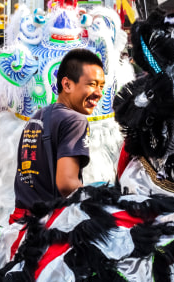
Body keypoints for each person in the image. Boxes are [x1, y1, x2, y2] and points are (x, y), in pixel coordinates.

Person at [11, 49, 105, 221]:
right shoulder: (75, 120)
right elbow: (67, 184)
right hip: (50, 227)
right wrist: (101, 200)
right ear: (67, 85)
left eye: (101, 86)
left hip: (21, 223)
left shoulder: (37, 117)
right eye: (92, 84)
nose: (99, 93)